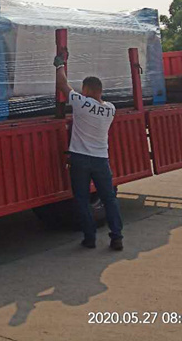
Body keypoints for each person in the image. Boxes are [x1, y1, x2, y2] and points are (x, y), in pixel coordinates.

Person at [54, 54, 124, 250]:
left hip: (80, 159)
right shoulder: (110, 109)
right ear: (100, 91)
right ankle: (116, 237)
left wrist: (59, 65)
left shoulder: (81, 103)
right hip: (101, 160)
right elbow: (100, 102)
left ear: (85, 90)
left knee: (82, 200)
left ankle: (90, 238)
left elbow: (62, 84)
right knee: (109, 199)